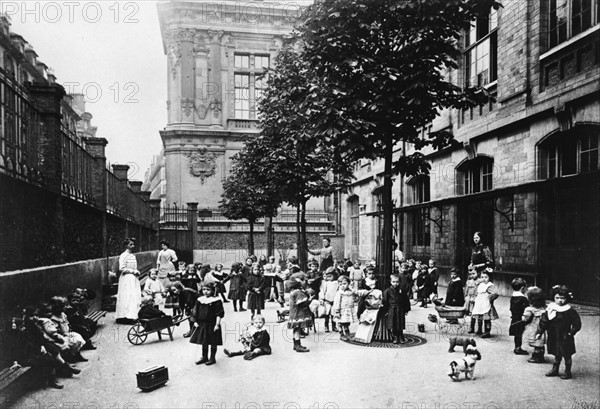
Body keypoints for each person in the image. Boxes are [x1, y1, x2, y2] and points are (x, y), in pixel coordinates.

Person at [536, 285, 581, 379]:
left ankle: (568, 371)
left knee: (566, 353)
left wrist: (572, 332)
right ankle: (555, 369)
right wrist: (539, 332)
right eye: (557, 298)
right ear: (553, 297)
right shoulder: (551, 308)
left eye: (562, 298)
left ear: (567, 298)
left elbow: (577, 323)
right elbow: (544, 321)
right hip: (553, 333)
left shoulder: (569, 310)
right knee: (557, 352)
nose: (560, 300)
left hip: (565, 335)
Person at [190, 282, 224, 366]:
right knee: (204, 341)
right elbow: (195, 311)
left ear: (213, 291)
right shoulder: (200, 300)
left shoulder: (216, 301)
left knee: (212, 341)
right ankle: (204, 356)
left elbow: (219, 314)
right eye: (204, 289)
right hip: (202, 324)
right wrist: (195, 321)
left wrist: (217, 324)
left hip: (212, 324)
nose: (205, 291)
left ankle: (212, 358)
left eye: (208, 290)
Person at [115, 238, 141, 324]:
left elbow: (134, 267)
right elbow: (121, 268)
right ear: (126, 245)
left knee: (133, 297)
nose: (132, 246)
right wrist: (133, 271)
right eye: (130, 244)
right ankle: (124, 317)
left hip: (133, 279)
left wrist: (136, 272)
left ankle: (132, 315)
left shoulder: (133, 256)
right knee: (127, 297)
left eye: (133, 244)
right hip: (126, 279)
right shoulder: (123, 255)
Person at [287, 272, 314, 352]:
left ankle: (296, 344)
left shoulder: (294, 291)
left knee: (296, 329)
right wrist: (310, 299)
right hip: (298, 314)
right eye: (303, 280)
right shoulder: (298, 292)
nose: (305, 281)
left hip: (294, 313)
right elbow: (303, 303)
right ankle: (298, 345)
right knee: (297, 329)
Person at [471, 269, 499, 338]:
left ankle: (487, 331)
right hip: (479, 304)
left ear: (489, 278)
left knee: (486, 319)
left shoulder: (489, 286)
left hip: (486, 304)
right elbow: (478, 293)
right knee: (479, 317)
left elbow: (495, 293)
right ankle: (479, 329)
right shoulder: (480, 285)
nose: (484, 279)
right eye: (482, 277)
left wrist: (490, 298)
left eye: (486, 277)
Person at [382, 274, 410, 344]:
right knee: (393, 323)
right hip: (392, 309)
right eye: (393, 282)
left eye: (397, 282)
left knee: (400, 323)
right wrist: (385, 310)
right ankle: (395, 337)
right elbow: (385, 301)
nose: (395, 284)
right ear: (390, 282)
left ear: (399, 282)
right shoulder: (387, 291)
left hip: (400, 309)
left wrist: (406, 309)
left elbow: (406, 300)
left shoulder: (402, 290)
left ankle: (400, 336)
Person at [522, 286, 547, 363]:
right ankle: (541, 355)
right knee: (540, 341)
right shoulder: (544, 308)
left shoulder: (529, 309)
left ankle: (536, 357)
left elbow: (525, 319)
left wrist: (523, 318)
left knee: (535, 342)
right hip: (542, 328)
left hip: (533, 328)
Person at [333, 275, 358, 341]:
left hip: (348, 309)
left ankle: (347, 334)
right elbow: (337, 302)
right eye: (340, 284)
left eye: (344, 284)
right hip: (341, 310)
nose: (342, 286)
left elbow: (356, 294)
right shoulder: (339, 293)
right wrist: (337, 311)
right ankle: (341, 334)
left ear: (349, 284)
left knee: (346, 322)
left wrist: (351, 288)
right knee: (340, 323)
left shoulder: (351, 292)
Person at [509, 277, 529, 355]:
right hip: (521, 318)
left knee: (517, 334)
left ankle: (517, 347)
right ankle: (518, 348)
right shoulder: (523, 299)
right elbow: (526, 308)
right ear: (522, 288)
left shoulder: (513, 297)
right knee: (519, 334)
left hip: (514, 317)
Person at [318, 267, 339, 332]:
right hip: (327, 300)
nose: (328, 278)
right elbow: (322, 291)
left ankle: (334, 326)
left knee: (333, 314)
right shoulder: (326, 283)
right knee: (327, 314)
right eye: (327, 276)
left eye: (330, 276)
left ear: (335, 275)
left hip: (334, 301)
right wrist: (321, 298)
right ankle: (326, 326)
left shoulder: (337, 283)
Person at [465, 267, 480, 333]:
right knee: (472, 314)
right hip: (471, 300)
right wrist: (466, 298)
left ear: (478, 273)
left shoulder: (480, 281)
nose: (472, 275)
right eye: (470, 274)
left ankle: (479, 328)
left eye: (474, 273)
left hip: (478, 299)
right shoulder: (468, 282)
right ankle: (472, 327)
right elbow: (466, 291)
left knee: (479, 314)